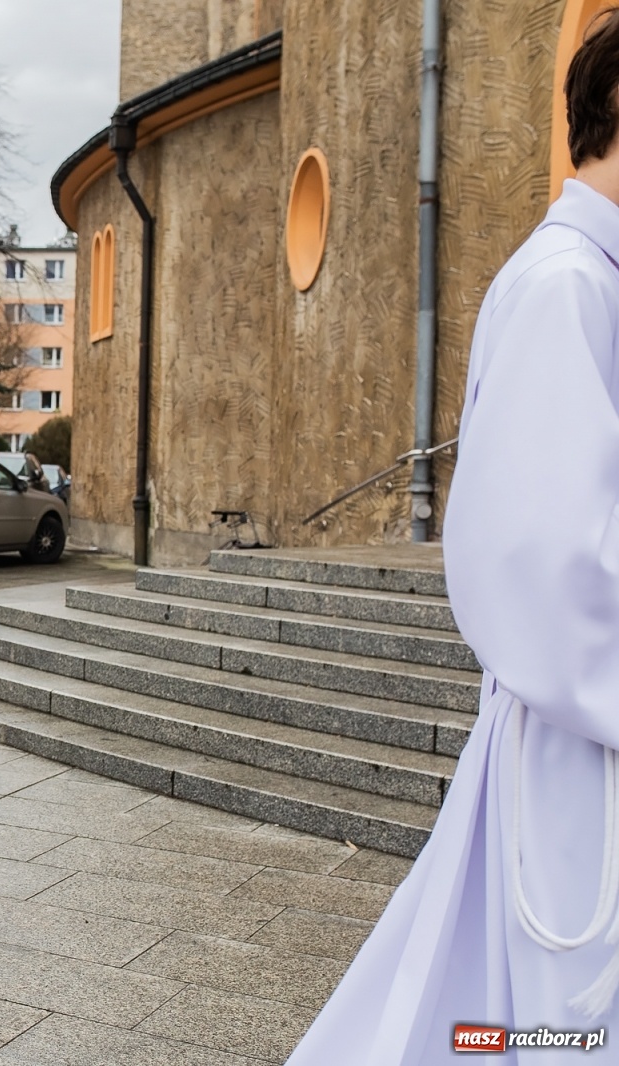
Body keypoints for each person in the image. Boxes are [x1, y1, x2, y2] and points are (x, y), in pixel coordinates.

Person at [288, 17, 619, 1061]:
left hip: (584, 736)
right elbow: (543, 556)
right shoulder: (567, 284)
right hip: (583, 737)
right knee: (556, 1020)